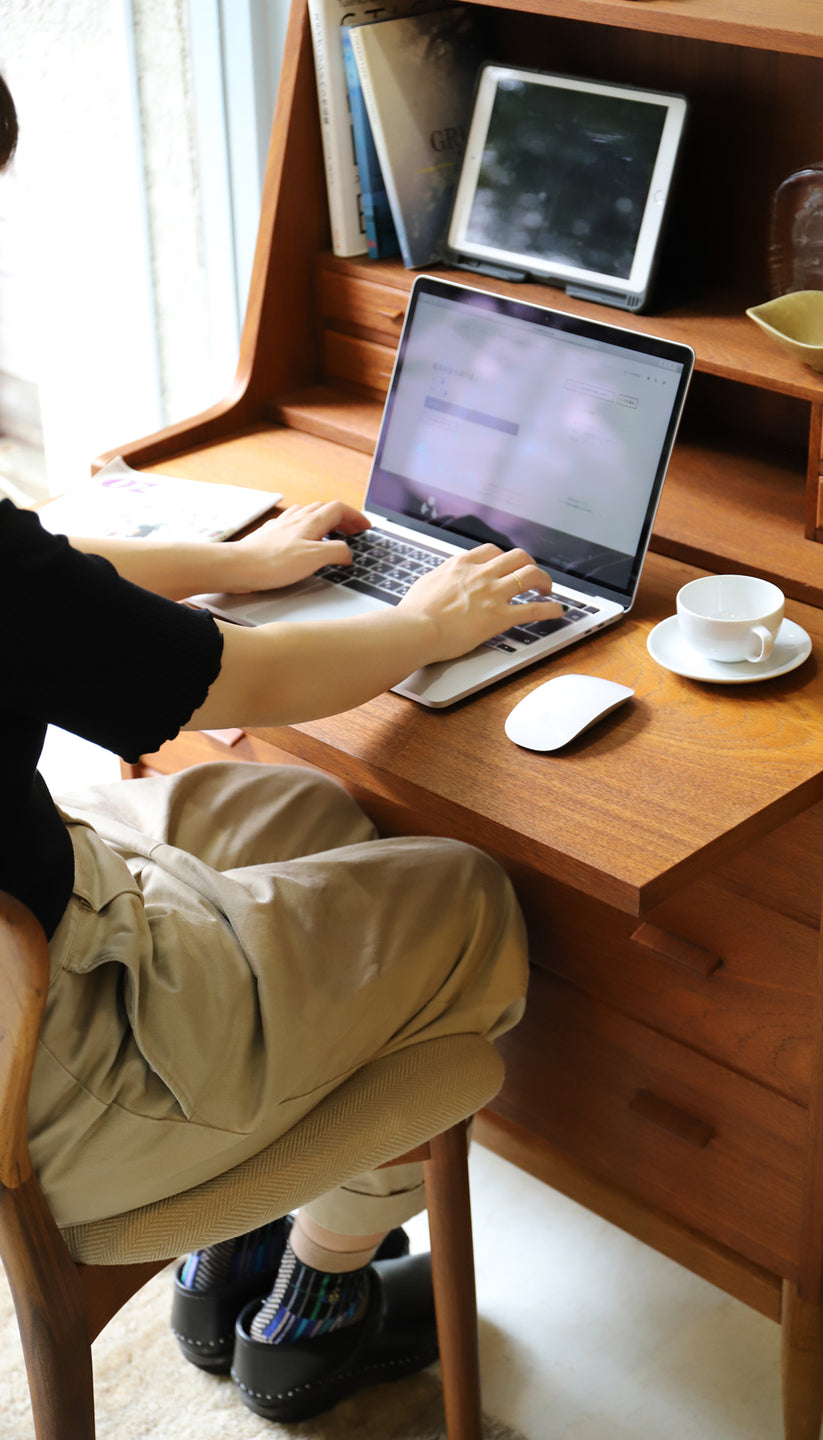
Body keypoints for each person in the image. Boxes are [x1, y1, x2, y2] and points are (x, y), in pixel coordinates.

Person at [0, 75, 562, 1422]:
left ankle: (224, 1261)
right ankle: (313, 1304)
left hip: (52, 928)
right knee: (468, 903)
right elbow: (223, 680)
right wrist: (427, 621)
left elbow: (40, 572)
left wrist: (234, 559)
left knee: (297, 819)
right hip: (60, 1064)